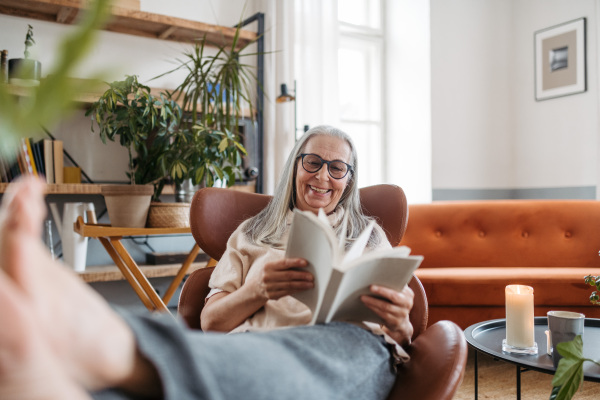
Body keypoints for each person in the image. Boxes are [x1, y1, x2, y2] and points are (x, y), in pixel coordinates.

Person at [0, 125, 413, 400]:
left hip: (350, 344)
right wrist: (257, 290)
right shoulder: (252, 233)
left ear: (349, 179)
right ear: (295, 167)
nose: (323, 176)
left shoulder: (368, 235)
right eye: (313, 162)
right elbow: (211, 323)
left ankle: (116, 344)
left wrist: (400, 321)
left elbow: (405, 331)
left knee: (303, 364)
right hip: (255, 345)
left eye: (337, 168)